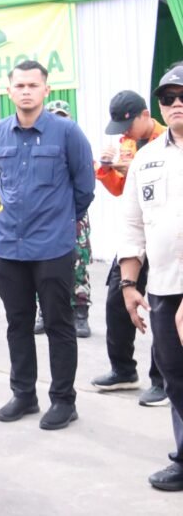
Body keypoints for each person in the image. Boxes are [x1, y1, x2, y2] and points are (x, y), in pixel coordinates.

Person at [0, 60, 95, 431]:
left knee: (59, 325)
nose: (27, 91)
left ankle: (64, 400)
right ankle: (24, 394)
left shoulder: (67, 132)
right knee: (17, 325)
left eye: (34, 85)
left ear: (47, 90)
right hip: (9, 247)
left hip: (53, 248)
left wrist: (62, 222)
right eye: (20, 85)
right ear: (9, 91)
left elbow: (84, 187)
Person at [118, 63, 183, 491]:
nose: (176, 103)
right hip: (163, 288)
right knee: (174, 375)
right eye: (167, 97)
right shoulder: (147, 157)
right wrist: (128, 285)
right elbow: (132, 225)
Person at [90, 90, 168, 406]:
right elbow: (122, 191)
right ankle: (123, 370)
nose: (124, 133)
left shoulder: (169, 140)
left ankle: (163, 380)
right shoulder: (127, 144)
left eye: (128, 125)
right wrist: (110, 168)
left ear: (145, 114)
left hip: (164, 238)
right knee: (115, 300)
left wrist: (135, 165)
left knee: (163, 308)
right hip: (135, 238)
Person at [40, 100, 94, 339]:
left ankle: (80, 313)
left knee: (78, 263)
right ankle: (45, 311)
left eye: (63, 116)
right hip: (46, 217)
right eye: (54, 116)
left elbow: (85, 183)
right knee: (42, 265)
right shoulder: (38, 144)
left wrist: (75, 214)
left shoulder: (77, 142)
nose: (59, 120)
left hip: (74, 214)